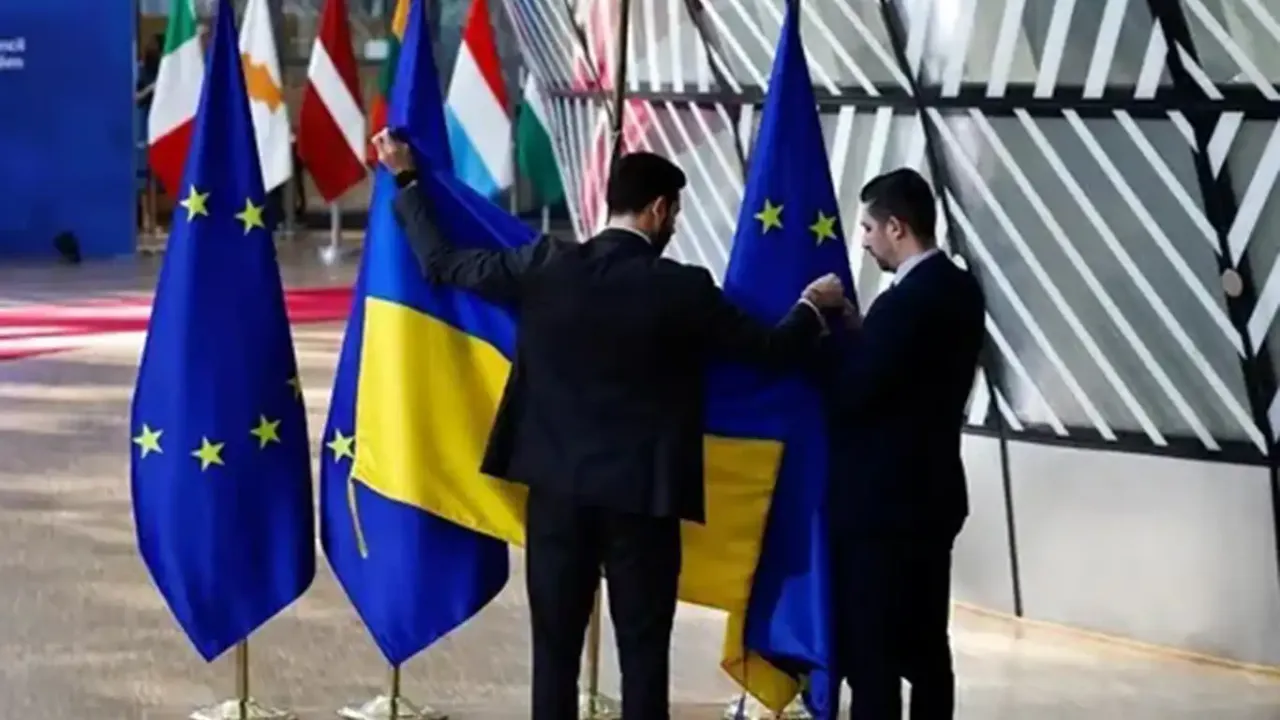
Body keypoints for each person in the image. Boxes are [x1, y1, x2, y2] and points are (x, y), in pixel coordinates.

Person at [371, 132, 848, 720]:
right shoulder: (682, 288)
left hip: (557, 495)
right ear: (658, 210)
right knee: (643, 656)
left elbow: (441, 265)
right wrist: (811, 305)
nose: (674, 224)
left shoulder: (545, 264)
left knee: (554, 654)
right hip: (643, 503)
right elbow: (770, 352)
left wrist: (407, 180)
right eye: (675, 213)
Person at [821, 168, 985, 719]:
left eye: (869, 229)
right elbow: (911, 375)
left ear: (896, 226)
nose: (865, 242)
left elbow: (854, 395)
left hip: (880, 510)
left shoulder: (903, 304)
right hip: (933, 499)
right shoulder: (961, 290)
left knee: (874, 655)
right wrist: (863, 334)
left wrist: (820, 335)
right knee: (928, 647)